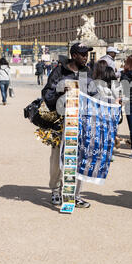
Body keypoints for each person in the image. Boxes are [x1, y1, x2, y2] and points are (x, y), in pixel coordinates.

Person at [42, 42, 97, 208]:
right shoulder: (59, 71)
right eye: (83, 54)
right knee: (57, 158)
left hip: (81, 121)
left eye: (87, 54)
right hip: (60, 121)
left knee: (79, 159)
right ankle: (56, 190)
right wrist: (60, 91)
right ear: (74, 56)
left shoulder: (87, 73)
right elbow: (46, 94)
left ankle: (74, 194)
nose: (86, 57)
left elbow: (95, 94)